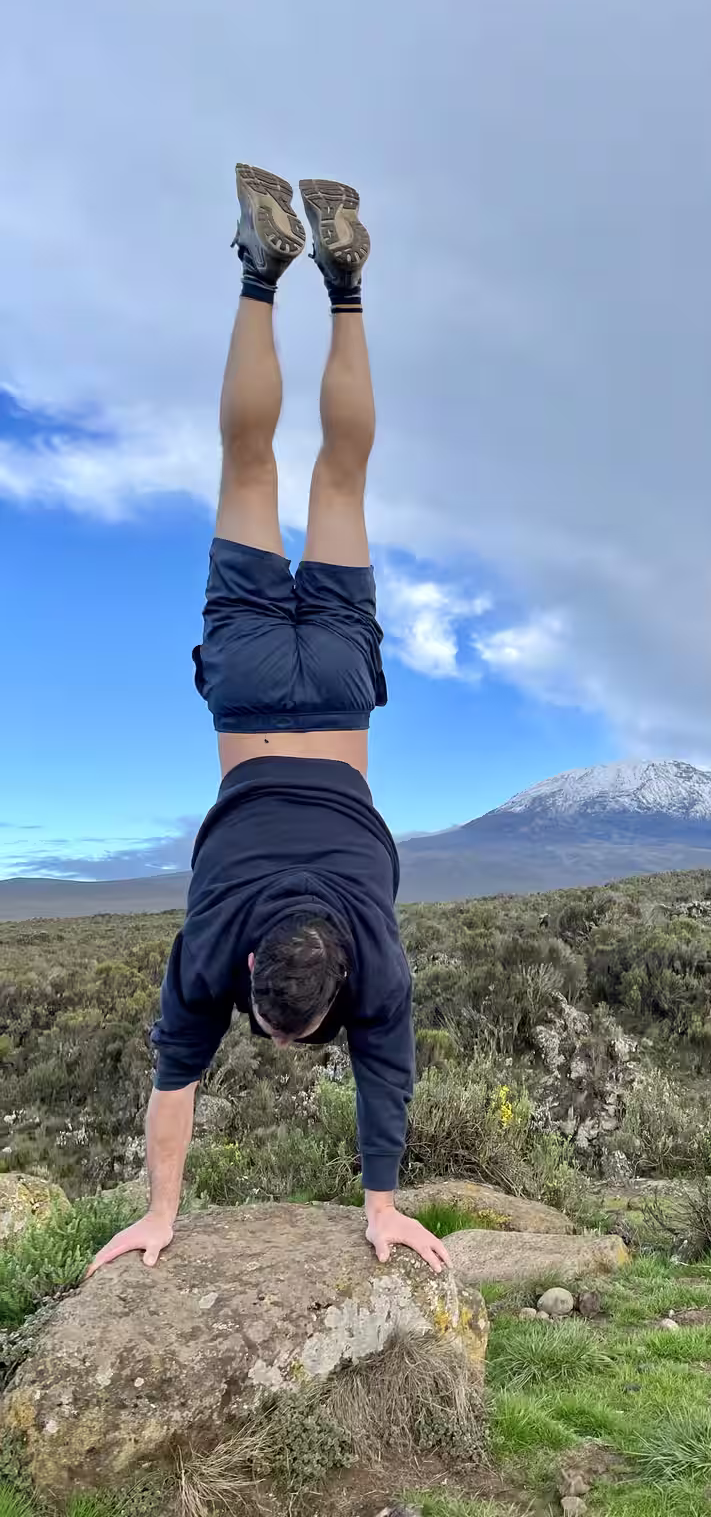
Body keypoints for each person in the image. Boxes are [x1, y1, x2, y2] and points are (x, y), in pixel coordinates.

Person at [87, 166, 448, 1277]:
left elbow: (387, 1079)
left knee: (342, 479)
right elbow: (173, 1081)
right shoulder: (209, 946)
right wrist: (163, 1212)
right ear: (258, 966)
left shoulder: (377, 963)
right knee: (249, 466)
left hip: (337, 690)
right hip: (246, 687)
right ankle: (260, 268)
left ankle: (343, 281)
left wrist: (383, 1200)